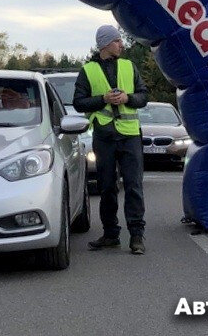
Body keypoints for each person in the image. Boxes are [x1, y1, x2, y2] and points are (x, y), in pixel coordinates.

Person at [73, 25, 149, 255]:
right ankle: (110, 234)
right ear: (105, 44)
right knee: (106, 187)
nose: (121, 44)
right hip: (104, 136)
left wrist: (128, 98)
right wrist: (103, 99)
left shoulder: (129, 66)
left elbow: (143, 96)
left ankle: (136, 236)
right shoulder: (88, 70)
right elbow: (79, 103)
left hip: (130, 135)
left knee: (134, 186)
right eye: (117, 41)